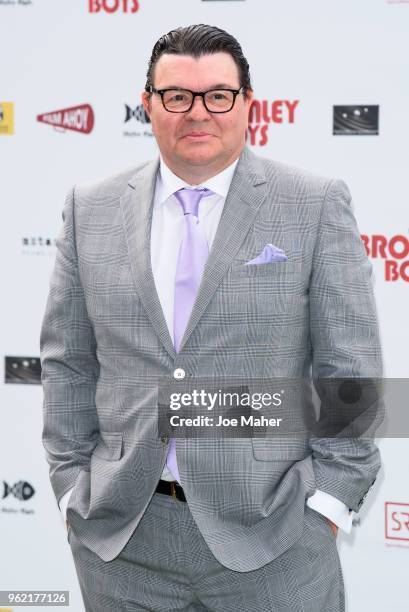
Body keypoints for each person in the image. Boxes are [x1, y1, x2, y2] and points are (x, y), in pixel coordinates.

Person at [40, 24, 383, 612]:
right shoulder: (89, 207)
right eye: (176, 96)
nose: (197, 113)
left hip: (274, 541)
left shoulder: (314, 203)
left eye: (218, 95)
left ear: (248, 102)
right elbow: (68, 362)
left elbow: (350, 373)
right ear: (147, 103)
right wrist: (73, 487)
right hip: (122, 544)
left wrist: (327, 505)